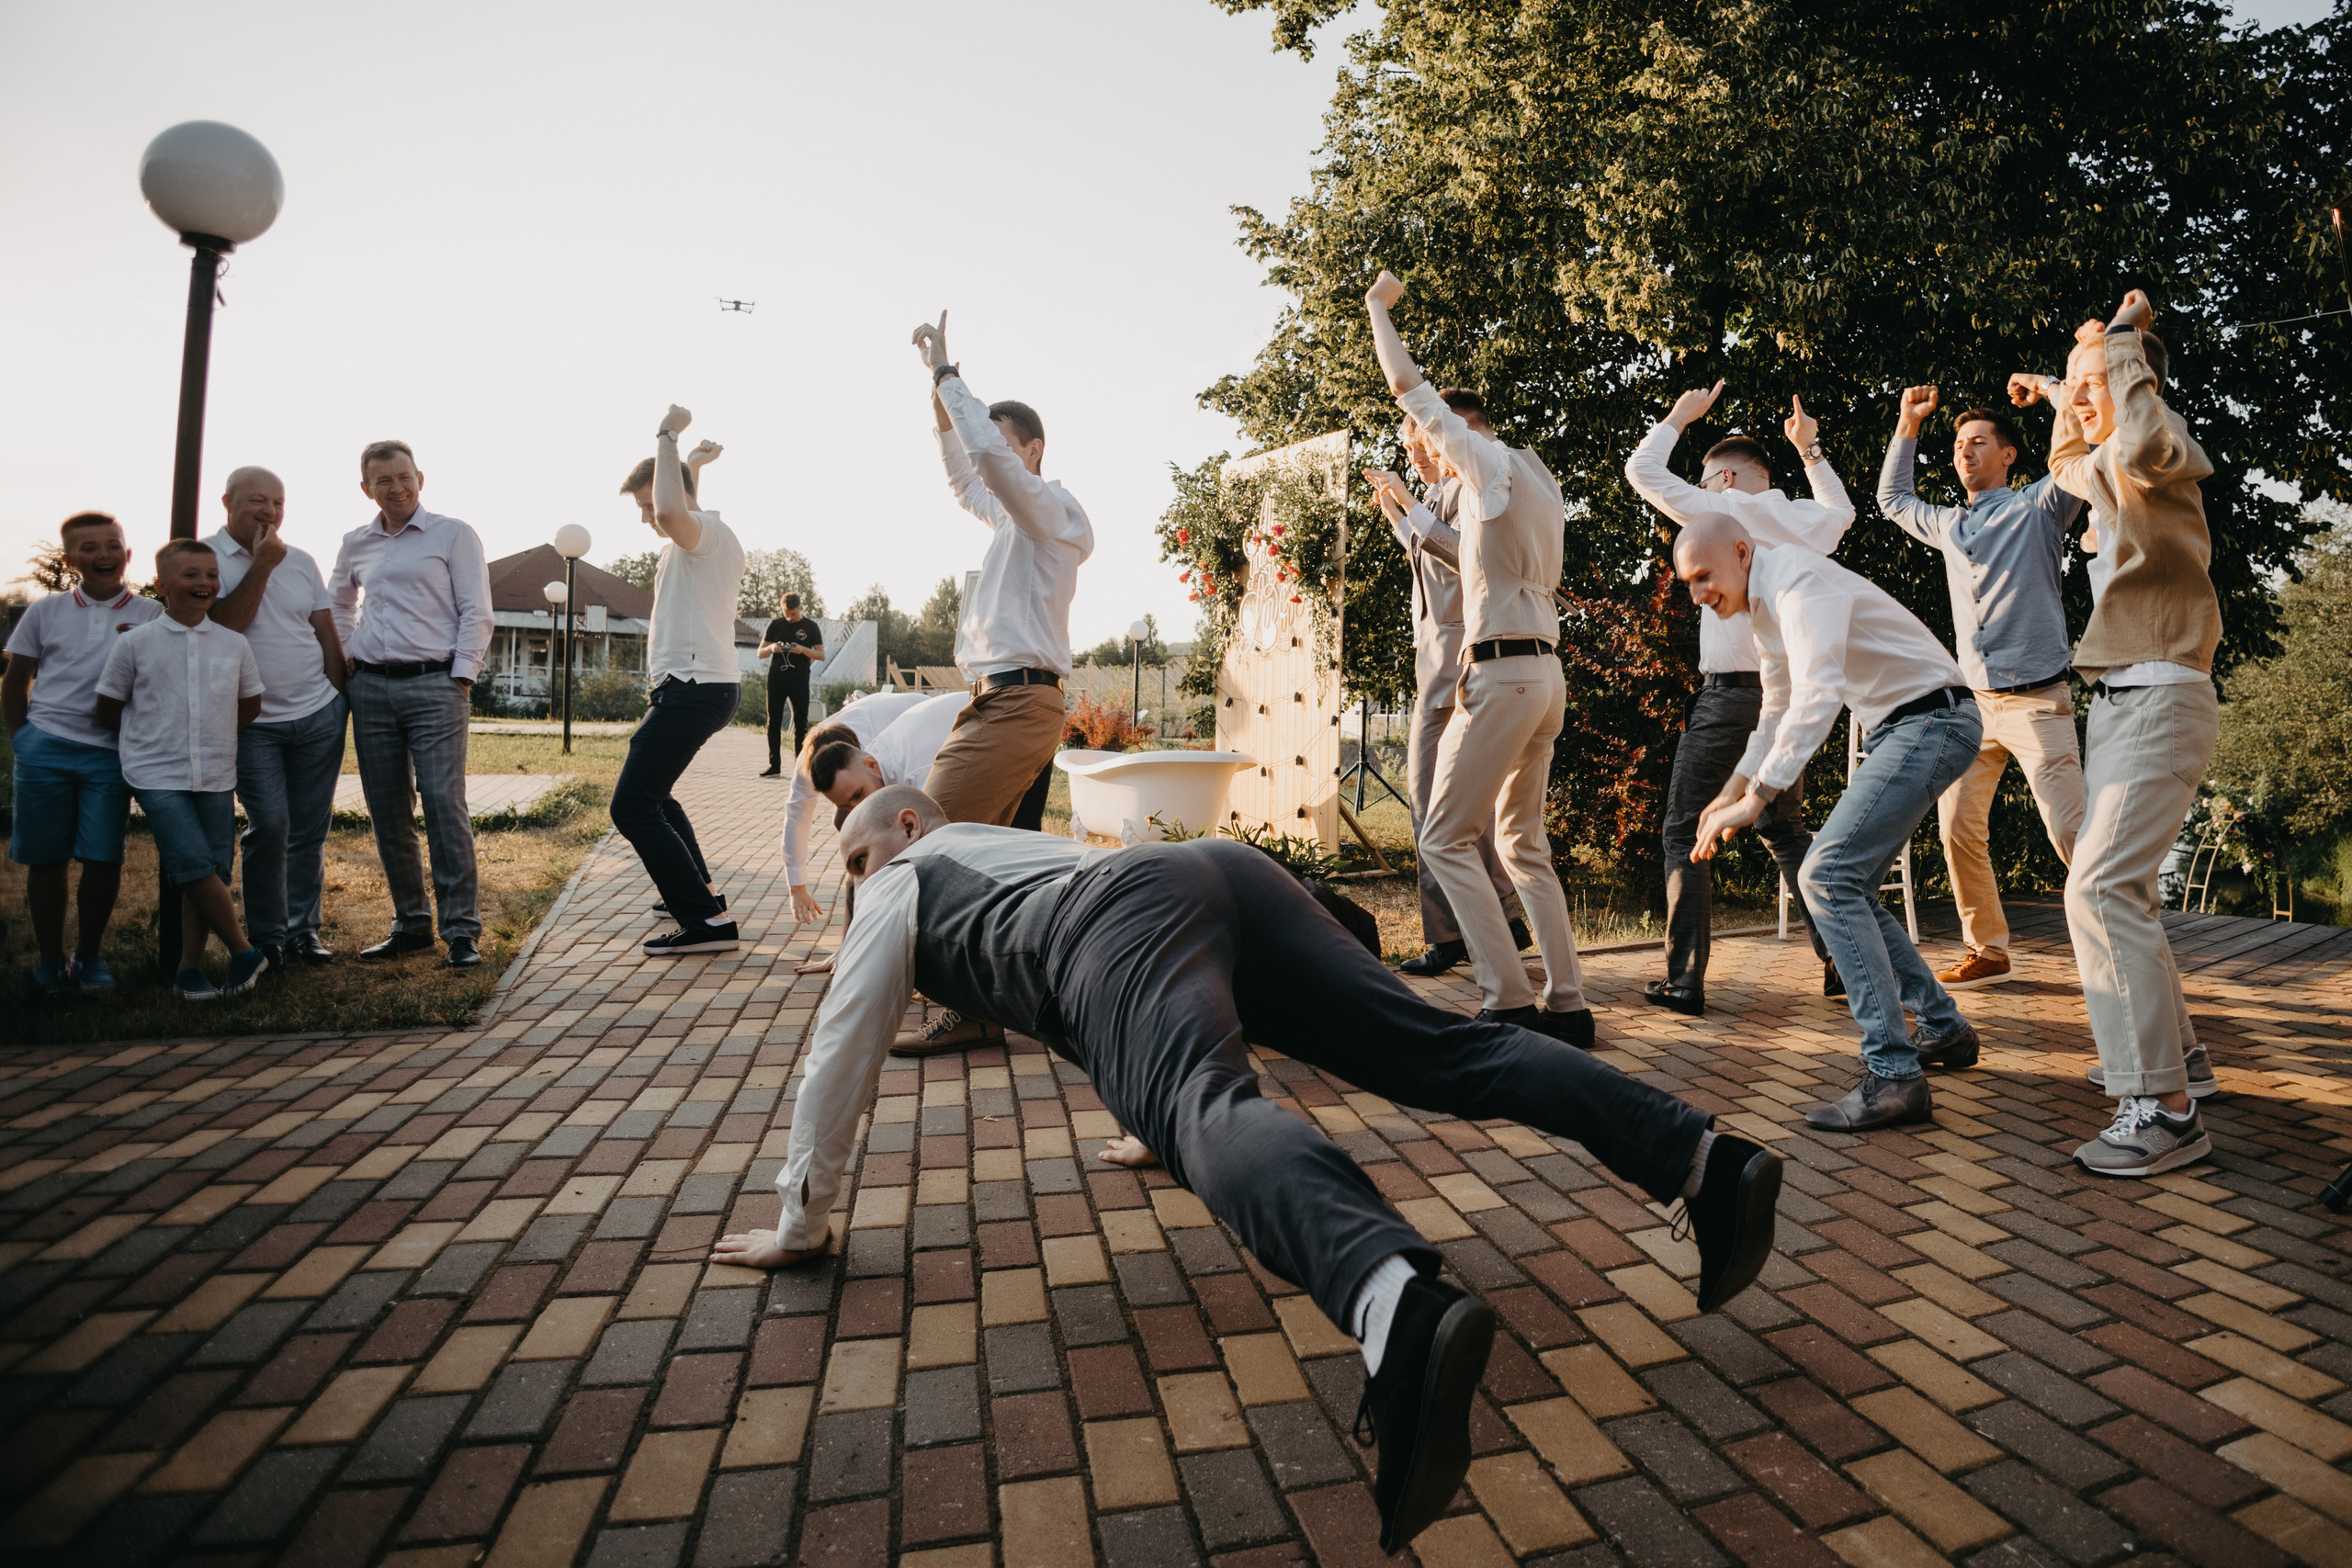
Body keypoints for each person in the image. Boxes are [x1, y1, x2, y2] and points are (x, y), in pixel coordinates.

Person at [711, 784, 1786, 1555]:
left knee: (1202, 1108)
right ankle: (1704, 1159)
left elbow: (837, 1055)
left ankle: (1394, 1308)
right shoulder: (1005, 849)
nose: (852, 888)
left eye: (852, 858)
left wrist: (802, 1219)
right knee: (1442, 1051)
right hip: (1221, 873)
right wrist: (1141, 1108)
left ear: (903, 828)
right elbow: (1114, 996)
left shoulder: (900, 882)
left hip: (1124, 914)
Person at [1679, 516, 1984, 1132]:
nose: (1698, 595)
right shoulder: (1765, 605)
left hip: (1933, 721)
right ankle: (1944, 1028)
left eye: (1704, 576)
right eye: (1688, 582)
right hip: (1911, 725)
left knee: (1825, 875)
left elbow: (1818, 693)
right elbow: (1776, 709)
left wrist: (1759, 798)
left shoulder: (1797, 581)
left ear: (1742, 552)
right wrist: (1731, 791)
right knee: (1842, 883)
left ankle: (1896, 1075)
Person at [2010, 292, 2222, 1177]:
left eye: (2097, 386)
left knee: (2096, 889)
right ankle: (2183, 1065)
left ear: (2139, 384)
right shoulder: (2107, 464)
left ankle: (2165, 1111)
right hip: (2124, 702)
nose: (2085, 397)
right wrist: (2068, 388)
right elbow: (2070, 466)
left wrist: (2123, 341)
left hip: (2163, 691)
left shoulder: (2160, 446)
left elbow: (2131, 434)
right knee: (2120, 888)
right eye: (2077, 388)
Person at [1362, 271, 1589, 1044]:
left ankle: (1507, 1000)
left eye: (1436, 440)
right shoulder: (1539, 474)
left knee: (1444, 836)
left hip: (1501, 673)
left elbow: (1405, 384)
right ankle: (1569, 1006)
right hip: (1547, 672)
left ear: (1463, 432)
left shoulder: (1485, 464)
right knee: (1524, 843)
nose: (1427, 449)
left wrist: (1377, 309)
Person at [1624, 381, 1852, 1014]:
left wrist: (1678, 414)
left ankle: (1684, 980)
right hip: (1782, 700)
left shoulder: (1723, 516)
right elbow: (1843, 512)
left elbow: (1641, 469)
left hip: (1729, 703)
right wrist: (1810, 451)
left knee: (1683, 829)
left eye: (1706, 481)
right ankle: (1840, 959)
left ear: (1723, 480)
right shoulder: (1804, 518)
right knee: (1784, 831)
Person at [1878, 387, 2086, 993]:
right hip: (1973, 708)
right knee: (1956, 829)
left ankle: (2120, 922)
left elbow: (2075, 460)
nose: (1965, 452)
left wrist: (2054, 391)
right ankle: (1987, 949)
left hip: (2038, 703)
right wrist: (1908, 423)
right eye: (1959, 445)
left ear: (2009, 455)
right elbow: (1893, 499)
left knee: (2070, 832)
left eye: (1978, 443)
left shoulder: (2039, 508)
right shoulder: (1948, 523)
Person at [910, 310, 1093, 828]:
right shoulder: (1016, 519)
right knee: (1008, 852)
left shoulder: (1050, 508)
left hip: (1018, 701)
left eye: (1005, 444)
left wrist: (947, 373)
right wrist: (944, 412)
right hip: (1003, 697)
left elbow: (988, 461)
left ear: (1033, 451)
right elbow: (969, 483)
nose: (988, 454)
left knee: (928, 830)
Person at [1363, 423, 1529, 977]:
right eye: (1409, 446)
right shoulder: (1436, 494)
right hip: (1435, 663)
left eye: (1423, 442)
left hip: (1459, 660)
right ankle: (1502, 919)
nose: (1416, 453)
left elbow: (1464, 557)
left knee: (1429, 804)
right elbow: (1422, 549)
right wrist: (1395, 508)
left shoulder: (1472, 489)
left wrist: (1408, 499)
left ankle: (1453, 934)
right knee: (1459, 805)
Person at [329, 440, 494, 967]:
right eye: (384, 481)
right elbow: (338, 602)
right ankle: (412, 924)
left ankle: (461, 931)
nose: (396, 488)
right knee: (388, 811)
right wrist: (348, 655)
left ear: (420, 477)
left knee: (444, 805)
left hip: (436, 686)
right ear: (366, 489)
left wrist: (461, 676)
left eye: (404, 477)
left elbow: (477, 609)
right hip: (371, 690)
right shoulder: (356, 542)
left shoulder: (453, 533)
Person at [93, 540, 270, 1000]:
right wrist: (154, 735)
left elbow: (250, 704)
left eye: (210, 575)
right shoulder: (134, 643)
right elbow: (108, 707)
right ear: (160, 585)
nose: (204, 583)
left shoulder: (234, 644)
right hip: (155, 772)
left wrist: (211, 732)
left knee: (213, 870)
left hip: (215, 770)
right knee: (191, 865)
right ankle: (246, 952)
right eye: (190, 575)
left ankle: (189, 970)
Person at [4, 513, 164, 994]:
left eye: (112, 545)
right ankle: (50, 961)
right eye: (89, 548)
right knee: (46, 859)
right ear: (71, 559)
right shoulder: (45, 612)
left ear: (127, 554)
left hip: (110, 753)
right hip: (45, 747)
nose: (103, 555)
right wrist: (22, 740)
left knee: (102, 858)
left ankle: (90, 956)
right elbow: (16, 681)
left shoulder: (152, 614)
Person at [614, 409, 746, 956]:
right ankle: (701, 896)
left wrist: (668, 435)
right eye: (643, 509)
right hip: (692, 687)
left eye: (648, 505)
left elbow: (675, 507)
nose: (650, 518)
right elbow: (680, 502)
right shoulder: (694, 539)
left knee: (631, 807)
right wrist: (690, 464)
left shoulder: (705, 535)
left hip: (694, 687)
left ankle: (706, 923)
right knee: (655, 795)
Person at [206, 467, 350, 971]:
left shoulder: (303, 561)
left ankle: (302, 931)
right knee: (270, 825)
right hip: (251, 723)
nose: (269, 512)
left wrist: (338, 698)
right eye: (257, 502)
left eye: (278, 503)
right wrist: (263, 564)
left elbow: (326, 633)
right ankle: (267, 936)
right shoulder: (206, 560)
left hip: (318, 715)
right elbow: (222, 625)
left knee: (309, 829)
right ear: (228, 502)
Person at [756, 592, 824, 776]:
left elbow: (821, 655)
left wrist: (802, 649)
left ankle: (800, 767)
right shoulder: (775, 625)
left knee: (801, 724)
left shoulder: (811, 627)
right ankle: (774, 766)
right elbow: (760, 652)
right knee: (773, 722)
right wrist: (771, 648)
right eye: (786, 613)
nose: (789, 617)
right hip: (777, 679)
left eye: (793, 614)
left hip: (799, 680)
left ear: (800, 608)